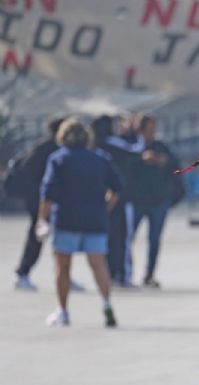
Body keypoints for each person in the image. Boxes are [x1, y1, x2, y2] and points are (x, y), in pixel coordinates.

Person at [38, 118, 122, 327]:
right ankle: (106, 304)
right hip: (95, 220)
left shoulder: (58, 159)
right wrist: (106, 208)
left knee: (62, 267)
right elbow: (117, 188)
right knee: (98, 264)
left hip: (66, 220)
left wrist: (41, 220)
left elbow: (48, 194)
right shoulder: (101, 158)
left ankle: (63, 311)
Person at [9, 117, 84, 292]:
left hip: (49, 200)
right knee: (38, 237)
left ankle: (63, 276)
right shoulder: (48, 150)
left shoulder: (52, 148)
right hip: (41, 201)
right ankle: (23, 273)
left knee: (60, 240)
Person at [129, 115, 183, 288]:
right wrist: (141, 159)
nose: (152, 132)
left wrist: (162, 161)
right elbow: (125, 165)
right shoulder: (132, 146)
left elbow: (175, 166)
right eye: (148, 129)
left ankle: (149, 274)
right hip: (138, 200)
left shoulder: (162, 146)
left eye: (154, 128)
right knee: (128, 237)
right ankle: (125, 272)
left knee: (154, 239)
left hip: (159, 200)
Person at [92, 115, 144, 286]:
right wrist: (136, 131)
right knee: (123, 237)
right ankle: (122, 274)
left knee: (107, 237)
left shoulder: (93, 147)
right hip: (121, 197)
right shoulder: (113, 143)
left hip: (99, 198)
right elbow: (137, 149)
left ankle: (109, 273)